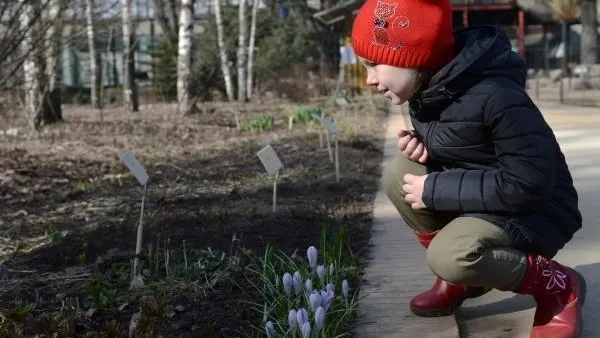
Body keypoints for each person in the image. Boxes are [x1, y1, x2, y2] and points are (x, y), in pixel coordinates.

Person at [350, 0, 585, 337]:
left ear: (413, 55)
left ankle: (558, 286)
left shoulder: (498, 97)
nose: (369, 80)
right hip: (493, 201)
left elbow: (529, 184)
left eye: (374, 65)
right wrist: (428, 150)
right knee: (399, 174)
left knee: (452, 255)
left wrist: (434, 188)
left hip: (538, 213)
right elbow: (472, 146)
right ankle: (462, 283)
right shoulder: (429, 90)